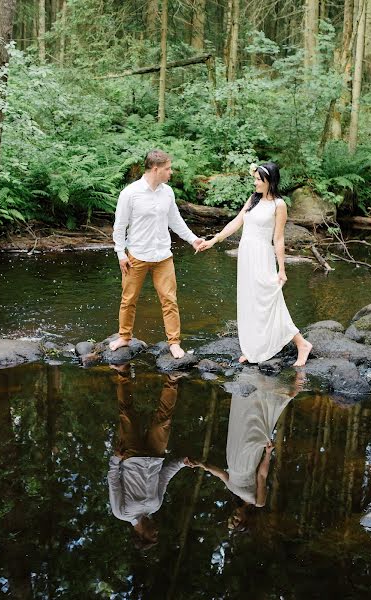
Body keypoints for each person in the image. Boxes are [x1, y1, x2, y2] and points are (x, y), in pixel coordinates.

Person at [197, 161, 312, 367]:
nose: (255, 182)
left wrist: (282, 269)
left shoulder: (279, 205)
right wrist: (213, 240)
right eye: (255, 179)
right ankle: (254, 349)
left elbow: (278, 239)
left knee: (268, 301)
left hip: (262, 257)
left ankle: (302, 344)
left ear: (270, 181)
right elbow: (236, 222)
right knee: (250, 301)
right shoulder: (253, 199)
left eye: (259, 180)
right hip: (246, 255)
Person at [110, 149, 204, 359]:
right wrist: (120, 254)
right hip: (136, 256)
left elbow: (175, 220)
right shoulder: (130, 193)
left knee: (169, 300)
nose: (171, 172)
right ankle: (124, 337)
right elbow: (119, 226)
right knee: (128, 299)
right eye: (168, 169)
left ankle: (174, 343)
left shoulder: (167, 192)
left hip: (163, 256)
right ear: (155, 169)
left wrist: (192, 239)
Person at [186, 370, 304, 531]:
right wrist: (268, 454)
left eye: (231, 519)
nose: (233, 516)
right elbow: (261, 476)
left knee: (242, 422)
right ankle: (290, 387)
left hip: (233, 456)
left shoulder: (235, 494)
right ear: (245, 520)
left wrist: (202, 465)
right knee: (254, 427)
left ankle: (256, 384)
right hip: (248, 461)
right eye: (236, 521)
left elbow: (221, 474)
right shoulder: (258, 502)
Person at [107, 367, 187, 549]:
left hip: (130, 456)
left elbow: (113, 482)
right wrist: (181, 463)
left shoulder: (122, 513)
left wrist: (116, 459)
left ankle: (123, 373)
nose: (156, 532)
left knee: (126, 414)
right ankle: (172, 380)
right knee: (164, 420)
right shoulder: (155, 506)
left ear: (141, 535)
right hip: (155, 456)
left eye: (153, 536)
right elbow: (165, 477)